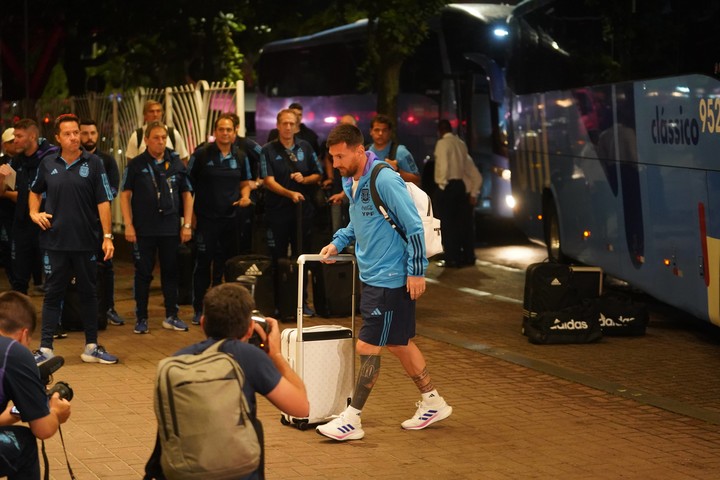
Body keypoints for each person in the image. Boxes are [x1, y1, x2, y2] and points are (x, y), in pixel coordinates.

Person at [316, 123, 452, 441]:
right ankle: (433, 401)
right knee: (398, 343)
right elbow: (357, 221)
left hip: (390, 279)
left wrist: (417, 271)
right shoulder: (354, 180)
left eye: (339, 156)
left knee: (367, 345)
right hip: (375, 277)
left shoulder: (384, 178)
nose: (335, 164)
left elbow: (414, 226)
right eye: (332, 157)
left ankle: (352, 419)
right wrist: (338, 241)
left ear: (359, 150)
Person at [143, 282, 309, 480]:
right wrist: (276, 355)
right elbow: (301, 408)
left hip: (182, 472)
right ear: (250, 329)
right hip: (239, 472)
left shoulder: (177, 360)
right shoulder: (249, 356)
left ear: (203, 323)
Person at [29, 113, 119, 365]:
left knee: (89, 293)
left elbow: (103, 202)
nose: (73, 137)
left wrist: (108, 237)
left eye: (76, 132)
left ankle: (91, 346)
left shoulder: (95, 163)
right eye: (67, 133)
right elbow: (34, 192)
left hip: (86, 242)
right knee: (52, 293)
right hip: (54, 242)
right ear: (58, 138)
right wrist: (33, 213)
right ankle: (45, 348)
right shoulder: (47, 163)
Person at [121, 121, 194, 334]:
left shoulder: (177, 162)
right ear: (146, 140)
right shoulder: (136, 165)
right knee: (143, 273)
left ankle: (172, 315)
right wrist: (128, 224)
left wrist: (186, 224)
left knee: (171, 271)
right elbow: (125, 196)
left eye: (163, 137)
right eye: (156, 137)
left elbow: (187, 194)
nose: (160, 141)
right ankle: (141, 317)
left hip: (170, 227)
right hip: (144, 229)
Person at [187, 114, 253, 325]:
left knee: (229, 265)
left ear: (235, 133)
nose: (225, 133)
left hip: (232, 219)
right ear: (215, 133)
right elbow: (187, 187)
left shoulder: (241, 155)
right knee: (203, 264)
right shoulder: (201, 155)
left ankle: (229, 311)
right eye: (221, 130)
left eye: (229, 130)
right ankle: (199, 309)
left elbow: (245, 183)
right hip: (207, 220)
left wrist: (245, 197)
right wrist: (191, 217)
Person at [0, 291, 71, 480]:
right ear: (24, 334)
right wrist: (55, 411)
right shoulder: (12, 351)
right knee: (24, 444)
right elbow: (43, 430)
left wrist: (20, 410)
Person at [260, 109, 322, 317]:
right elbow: (268, 181)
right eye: (284, 123)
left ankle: (301, 302)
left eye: (291, 124)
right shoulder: (267, 150)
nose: (287, 127)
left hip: (302, 214)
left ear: (296, 126)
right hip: (276, 212)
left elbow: (318, 174)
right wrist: (290, 193)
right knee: (276, 258)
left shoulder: (305, 146)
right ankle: (277, 304)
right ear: (277, 125)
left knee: (301, 258)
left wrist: (304, 180)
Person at [80, 119, 126, 326]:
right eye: (85, 133)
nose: (89, 137)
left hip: (101, 222)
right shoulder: (74, 159)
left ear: (97, 134)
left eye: (92, 133)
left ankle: (108, 308)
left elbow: (113, 189)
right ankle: (79, 309)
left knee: (106, 267)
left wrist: (97, 201)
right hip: (79, 223)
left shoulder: (106, 161)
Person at [3, 120, 58, 295]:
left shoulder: (53, 156)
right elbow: (2, 191)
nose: (15, 140)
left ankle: (55, 318)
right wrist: (1, 178)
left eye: (19, 136)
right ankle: (19, 319)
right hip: (22, 224)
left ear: (32, 136)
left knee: (54, 275)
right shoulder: (16, 161)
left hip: (47, 223)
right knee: (19, 278)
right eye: (14, 137)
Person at [433, 119, 482, 268]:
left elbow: (443, 165)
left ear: (440, 131)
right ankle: (461, 256)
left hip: (448, 186)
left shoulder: (442, 143)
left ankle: (451, 257)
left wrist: (441, 185)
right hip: (460, 186)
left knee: (447, 225)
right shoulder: (461, 144)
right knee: (459, 223)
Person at [125, 100, 190, 164]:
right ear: (145, 115)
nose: (155, 114)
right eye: (151, 111)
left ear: (162, 114)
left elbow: (183, 158)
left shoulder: (173, 133)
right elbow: (130, 161)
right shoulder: (137, 136)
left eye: (158, 111)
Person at [367, 114, 421, 185]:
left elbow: (417, 180)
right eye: (377, 130)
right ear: (371, 131)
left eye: (384, 130)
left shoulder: (401, 152)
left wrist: (397, 170)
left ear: (390, 132)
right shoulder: (365, 152)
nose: (380, 133)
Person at [0, 129, 19, 285]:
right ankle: (14, 279)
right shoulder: (2, 163)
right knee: (7, 246)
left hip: (24, 212)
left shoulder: (25, 160)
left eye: (17, 139)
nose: (16, 143)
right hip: (5, 212)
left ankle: (37, 280)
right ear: (5, 145)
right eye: (12, 141)